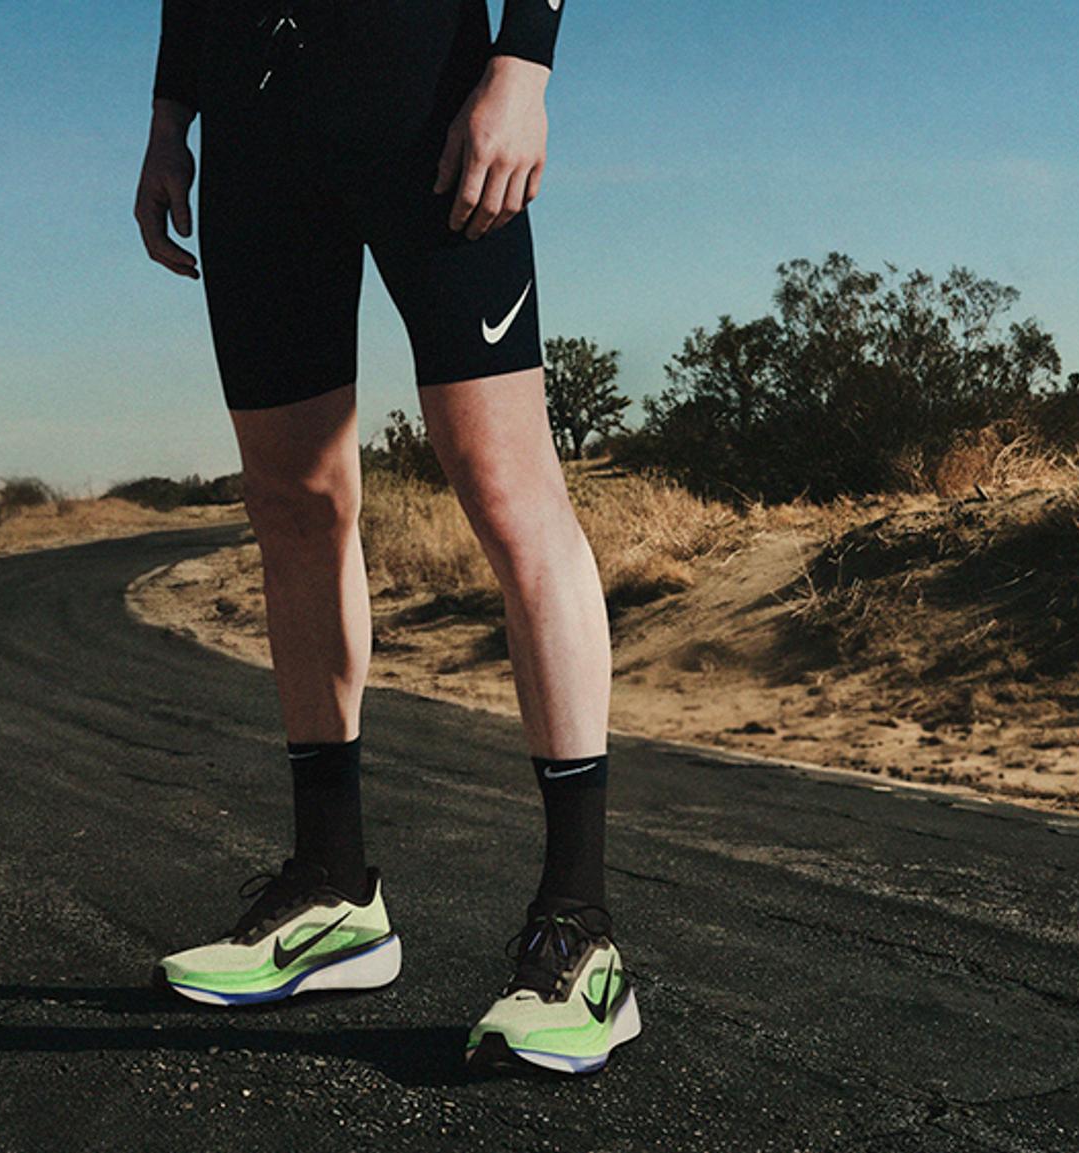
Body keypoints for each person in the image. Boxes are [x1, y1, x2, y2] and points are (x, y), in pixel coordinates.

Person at [134, 0, 638, 1075]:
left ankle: (580, 929)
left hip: (423, 96)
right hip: (254, 128)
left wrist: (523, 67)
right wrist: (169, 118)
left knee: (504, 484)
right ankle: (333, 892)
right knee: (292, 498)